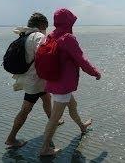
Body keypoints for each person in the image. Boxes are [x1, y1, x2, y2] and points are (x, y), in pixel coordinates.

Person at [39, 8, 101, 156]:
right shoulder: (68, 38)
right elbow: (81, 60)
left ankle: (82, 126)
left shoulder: (51, 36)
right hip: (63, 85)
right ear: (69, 22)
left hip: (53, 81)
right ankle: (44, 149)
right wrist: (95, 73)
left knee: (73, 105)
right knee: (55, 118)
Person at [5, 13, 64, 149]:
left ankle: (53, 119)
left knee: (46, 97)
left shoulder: (24, 35)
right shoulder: (38, 37)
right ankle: (11, 138)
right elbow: (45, 55)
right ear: (42, 25)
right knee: (26, 109)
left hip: (29, 77)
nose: (46, 30)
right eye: (45, 27)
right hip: (34, 80)